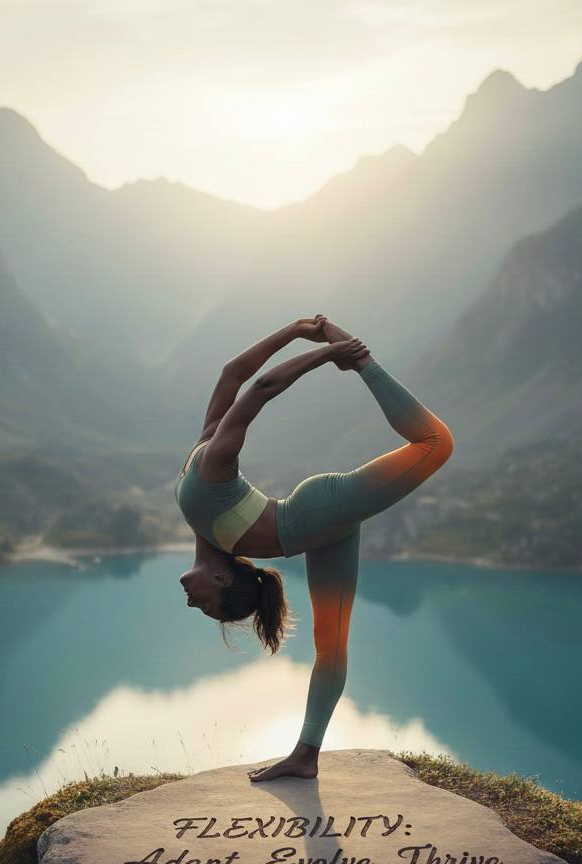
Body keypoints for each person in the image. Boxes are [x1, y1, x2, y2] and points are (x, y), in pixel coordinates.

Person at [174, 315, 454, 781]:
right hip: (324, 530)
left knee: (436, 443)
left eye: (201, 607)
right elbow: (243, 382)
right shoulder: (205, 508)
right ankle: (305, 756)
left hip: (316, 515)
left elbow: (246, 382)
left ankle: (362, 361)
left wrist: (319, 346)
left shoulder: (207, 495)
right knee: (330, 645)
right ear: (223, 577)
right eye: (203, 605)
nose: (190, 602)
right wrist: (306, 335)